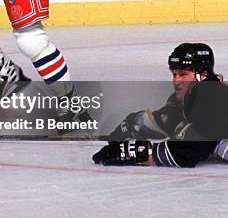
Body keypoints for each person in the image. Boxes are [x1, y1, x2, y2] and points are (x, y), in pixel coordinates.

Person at [93, 43, 228, 168]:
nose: (176, 81)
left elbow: (189, 151)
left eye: (183, 74)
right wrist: (128, 127)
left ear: (202, 76)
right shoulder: (192, 97)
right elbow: (166, 118)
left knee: (210, 141)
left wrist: (134, 152)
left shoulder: (213, 98)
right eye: (174, 74)